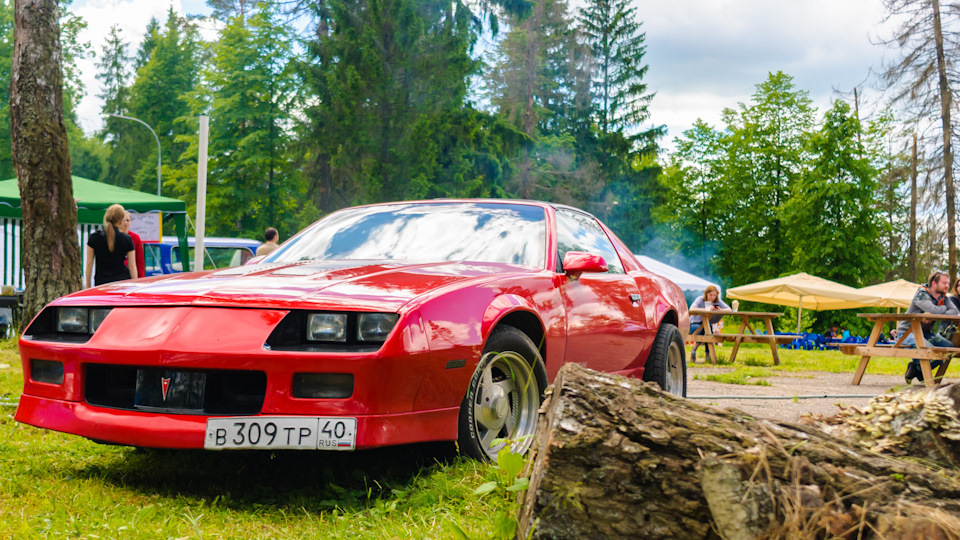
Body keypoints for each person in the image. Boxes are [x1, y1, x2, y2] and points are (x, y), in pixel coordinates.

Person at [900, 270, 959, 384]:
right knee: (930, 350)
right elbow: (933, 310)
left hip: (926, 333)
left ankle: (916, 369)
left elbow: (955, 312)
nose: (947, 286)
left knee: (950, 349)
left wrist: (933, 315)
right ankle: (921, 372)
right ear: (933, 284)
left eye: (948, 283)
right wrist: (941, 310)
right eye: (944, 283)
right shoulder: (921, 295)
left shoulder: (944, 297)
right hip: (908, 332)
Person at [85, 204, 137, 288]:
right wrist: (134, 285)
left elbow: (89, 264)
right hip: (122, 283)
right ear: (121, 221)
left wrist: (88, 286)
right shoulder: (127, 239)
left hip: (101, 283)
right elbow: (132, 266)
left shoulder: (94, 238)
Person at [689, 285, 730, 361]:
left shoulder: (716, 301)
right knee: (707, 328)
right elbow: (691, 309)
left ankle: (697, 351)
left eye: (714, 295)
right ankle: (706, 354)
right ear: (706, 294)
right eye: (711, 295)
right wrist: (706, 309)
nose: (712, 297)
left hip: (706, 324)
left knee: (708, 328)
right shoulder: (700, 299)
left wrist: (720, 310)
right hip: (694, 324)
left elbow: (729, 310)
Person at [118, 211, 146, 279]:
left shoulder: (135, 238)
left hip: (130, 274)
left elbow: (140, 261)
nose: (125, 223)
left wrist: (141, 278)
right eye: (124, 220)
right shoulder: (114, 236)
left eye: (128, 220)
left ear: (130, 222)